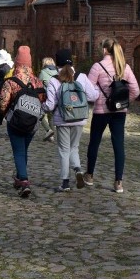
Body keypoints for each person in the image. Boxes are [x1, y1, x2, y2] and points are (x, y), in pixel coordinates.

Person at [85, 38, 140, 193]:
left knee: (94, 142)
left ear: (104, 50)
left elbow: (88, 91)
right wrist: (123, 102)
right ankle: (118, 182)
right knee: (119, 146)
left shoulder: (98, 67)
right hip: (119, 112)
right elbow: (136, 91)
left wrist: (99, 97)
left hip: (101, 111)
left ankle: (89, 175)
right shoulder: (124, 67)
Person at [42, 49, 99, 192]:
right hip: (79, 118)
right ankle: (78, 170)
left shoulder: (54, 80)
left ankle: (65, 182)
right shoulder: (81, 77)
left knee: (63, 150)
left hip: (62, 120)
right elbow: (92, 96)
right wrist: (98, 89)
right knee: (74, 148)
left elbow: (50, 105)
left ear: (57, 64)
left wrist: (41, 106)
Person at [0, 46, 45, 198]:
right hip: (32, 123)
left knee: (18, 151)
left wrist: (6, 115)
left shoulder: (10, 81)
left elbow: (3, 102)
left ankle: (24, 181)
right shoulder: (37, 82)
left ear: (16, 62)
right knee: (23, 150)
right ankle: (19, 178)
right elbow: (43, 100)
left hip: (16, 122)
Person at [38, 57, 59, 142]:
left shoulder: (43, 72)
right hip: (55, 97)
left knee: (39, 114)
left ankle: (48, 130)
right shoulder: (57, 72)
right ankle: (52, 135)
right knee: (51, 117)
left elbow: (38, 85)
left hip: (45, 97)